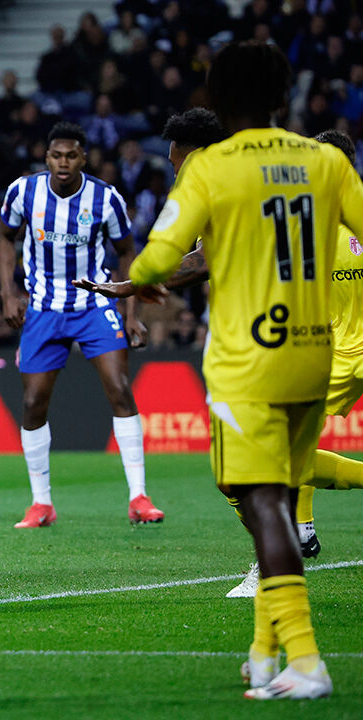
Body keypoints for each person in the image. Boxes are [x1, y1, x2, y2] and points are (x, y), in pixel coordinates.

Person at [128, 41, 363, 700]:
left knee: (258, 498)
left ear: (219, 101)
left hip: (248, 358)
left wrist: (133, 284)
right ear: (283, 96)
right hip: (315, 354)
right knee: (283, 491)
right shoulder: (325, 161)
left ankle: (307, 659)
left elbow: (161, 255)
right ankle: (264, 654)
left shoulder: (216, 166)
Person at [0, 121, 164, 529]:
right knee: (34, 402)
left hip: (94, 303)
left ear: (84, 158)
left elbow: (127, 251)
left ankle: (139, 497)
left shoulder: (106, 199)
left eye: (72, 155)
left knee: (121, 389)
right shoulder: (23, 192)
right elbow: (4, 237)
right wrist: (7, 292)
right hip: (42, 307)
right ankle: (42, 504)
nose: (63, 163)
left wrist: (131, 313)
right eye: (56, 155)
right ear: (47, 157)